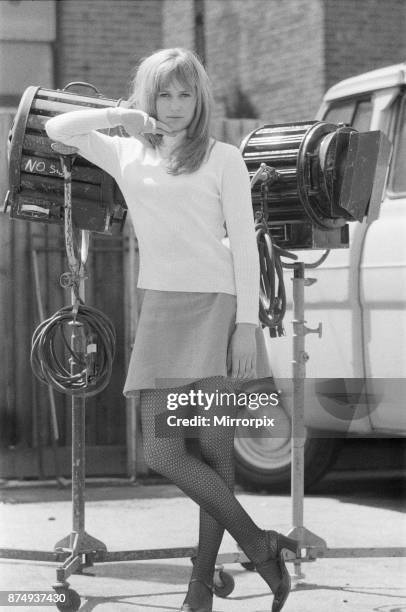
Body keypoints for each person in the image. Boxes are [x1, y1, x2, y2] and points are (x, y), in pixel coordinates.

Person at [46, 47, 298, 612]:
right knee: (162, 450)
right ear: (148, 96)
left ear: (200, 98)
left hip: (217, 309)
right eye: (165, 92)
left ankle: (197, 590)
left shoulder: (224, 157)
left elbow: (246, 251)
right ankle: (261, 546)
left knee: (215, 454)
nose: (177, 104)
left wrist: (245, 327)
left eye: (187, 93)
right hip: (160, 308)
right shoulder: (125, 151)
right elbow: (59, 127)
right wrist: (125, 117)